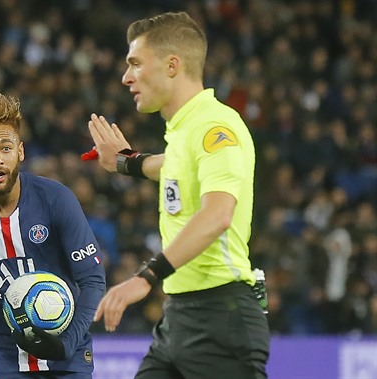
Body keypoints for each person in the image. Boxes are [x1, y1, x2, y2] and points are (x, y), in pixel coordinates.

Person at [87, 12, 270, 379]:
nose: (126, 77)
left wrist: (145, 277)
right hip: (180, 318)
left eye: (135, 64)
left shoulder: (215, 126)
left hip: (222, 318)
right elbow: (173, 164)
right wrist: (127, 163)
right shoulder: (187, 130)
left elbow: (218, 214)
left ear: (172, 65)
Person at [0, 92, 106, 379]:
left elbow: (92, 279)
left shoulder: (56, 199)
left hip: (67, 357)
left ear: (21, 152)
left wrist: (65, 344)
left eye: (6, 148)